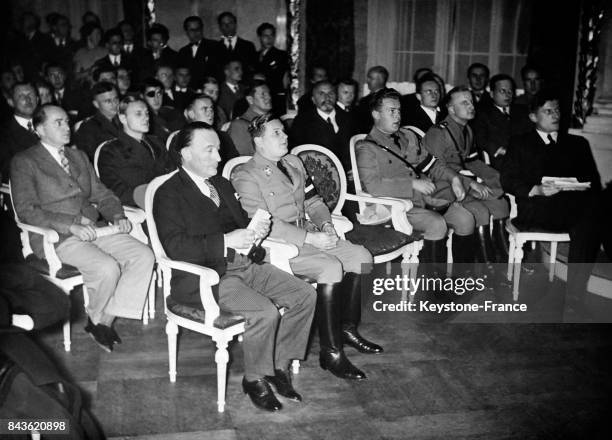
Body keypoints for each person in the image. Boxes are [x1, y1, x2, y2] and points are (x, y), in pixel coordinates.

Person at [154, 121, 316, 411]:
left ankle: (277, 366)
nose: (219, 157)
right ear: (186, 153)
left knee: (304, 295)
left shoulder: (222, 184)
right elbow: (175, 247)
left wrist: (255, 230)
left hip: (243, 264)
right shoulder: (168, 193)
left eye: (218, 149)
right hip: (208, 277)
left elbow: (239, 224)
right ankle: (254, 379)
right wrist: (226, 240)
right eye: (210, 150)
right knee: (265, 312)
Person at [233, 114, 378, 381]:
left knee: (361, 256)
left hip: (310, 233)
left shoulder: (293, 162)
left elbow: (314, 202)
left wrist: (325, 226)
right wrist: (310, 239)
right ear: (258, 141)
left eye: (283, 131)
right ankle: (331, 353)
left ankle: (346, 328)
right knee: (331, 267)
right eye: (276, 133)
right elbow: (262, 224)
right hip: (278, 245)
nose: (285, 136)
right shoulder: (246, 174)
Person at [10, 104, 155, 352]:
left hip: (94, 228)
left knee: (144, 255)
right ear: (39, 128)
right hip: (56, 236)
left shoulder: (78, 157)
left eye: (67, 121)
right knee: (106, 267)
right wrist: (71, 225)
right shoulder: (25, 161)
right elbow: (27, 210)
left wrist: (117, 214)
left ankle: (102, 320)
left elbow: (102, 193)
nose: (67, 127)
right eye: (58, 123)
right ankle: (99, 321)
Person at [501, 92, 604, 314]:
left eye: (557, 110)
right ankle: (575, 299)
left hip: (573, 209)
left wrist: (576, 185)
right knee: (593, 216)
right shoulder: (520, 143)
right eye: (548, 111)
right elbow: (507, 180)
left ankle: (574, 297)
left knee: (592, 215)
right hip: (537, 210)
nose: (555, 115)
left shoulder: (577, 143)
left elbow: (593, 181)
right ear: (532, 116)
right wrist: (536, 189)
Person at [355, 88, 477, 265]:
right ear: (376, 114)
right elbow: (373, 186)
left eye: (399, 111)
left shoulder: (408, 136)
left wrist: (454, 178)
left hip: (425, 201)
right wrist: (411, 183)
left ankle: (462, 280)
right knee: (437, 224)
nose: (397, 116)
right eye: (391, 111)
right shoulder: (367, 148)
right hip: (395, 207)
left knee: (465, 218)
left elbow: (431, 164)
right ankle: (432, 288)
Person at [423, 86, 510, 263]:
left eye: (471, 101)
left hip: (462, 185)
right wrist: (471, 184)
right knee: (480, 211)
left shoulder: (468, 131)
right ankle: (485, 266)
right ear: (451, 109)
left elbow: (472, 161)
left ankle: (503, 261)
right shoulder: (438, 133)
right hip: (442, 190)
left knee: (501, 204)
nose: (471, 106)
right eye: (464, 102)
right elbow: (436, 171)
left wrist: (498, 178)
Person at [98, 96, 172, 207]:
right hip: (144, 206)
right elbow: (115, 190)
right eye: (138, 114)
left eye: (147, 113)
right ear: (123, 118)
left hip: (171, 199)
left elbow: (172, 171)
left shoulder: (156, 142)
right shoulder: (111, 151)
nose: (146, 118)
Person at [290, 80, 356, 170]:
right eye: (321, 94)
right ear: (313, 100)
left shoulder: (349, 118)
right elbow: (296, 151)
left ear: (336, 96)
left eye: (331, 93)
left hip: (348, 172)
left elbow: (357, 146)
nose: (327, 98)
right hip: (317, 173)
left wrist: (355, 168)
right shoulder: (302, 122)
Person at [471, 73, 532, 170]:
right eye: (502, 91)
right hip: (498, 160)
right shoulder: (482, 114)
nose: (507, 95)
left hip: (524, 159)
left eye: (510, 91)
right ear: (491, 94)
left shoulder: (522, 112)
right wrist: (500, 150)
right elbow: (480, 139)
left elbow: (530, 135)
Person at [184, 94, 239, 167]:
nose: (210, 112)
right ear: (191, 114)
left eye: (211, 108)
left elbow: (235, 163)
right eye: (205, 109)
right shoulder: (183, 139)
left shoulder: (223, 136)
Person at [73, 81, 122, 161]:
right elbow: (88, 159)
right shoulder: (88, 128)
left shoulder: (125, 119)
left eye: (116, 99)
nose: (114, 104)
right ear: (96, 104)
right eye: (108, 101)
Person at [0, 83, 39, 181]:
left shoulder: (49, 123)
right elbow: (8, 170)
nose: (27, 99)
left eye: (30, 94)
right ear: (11, 102)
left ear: (37, 99)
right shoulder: (4, 134)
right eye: (21, 96)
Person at [228, 80, 273, 155]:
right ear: (250, 100)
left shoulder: (273, 121)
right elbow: (242, 161)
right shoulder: (240, 126)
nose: (269, 97)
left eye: (269, 93)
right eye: (263, 95)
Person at [256, 22, 289, 114]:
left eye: (272, 35)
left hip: (274, 98)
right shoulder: (254, 56)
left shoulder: (281, 55)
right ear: (259, 37)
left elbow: (278, 76)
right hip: (258, 99)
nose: (269, 39)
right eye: (265, 36)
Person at [214, 12, 257, 77]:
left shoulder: (248, 46)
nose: (227, 26)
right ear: (220, 27)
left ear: (235, 25)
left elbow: (252, 70)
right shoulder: (215, 48)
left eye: (230, 23)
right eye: (223, 24)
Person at [177, 16, 216, 88]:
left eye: (198, 29)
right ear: (186, 32)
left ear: (202, 29)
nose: (196, 32)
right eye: (192, 30)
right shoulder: (183, 52)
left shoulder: (214, 46)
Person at [356, 65, 389, 133]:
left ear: (381, 80)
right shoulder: (364, 101)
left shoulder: (392, 98)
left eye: (371, 78)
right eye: (368, 77)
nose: (367, 80)